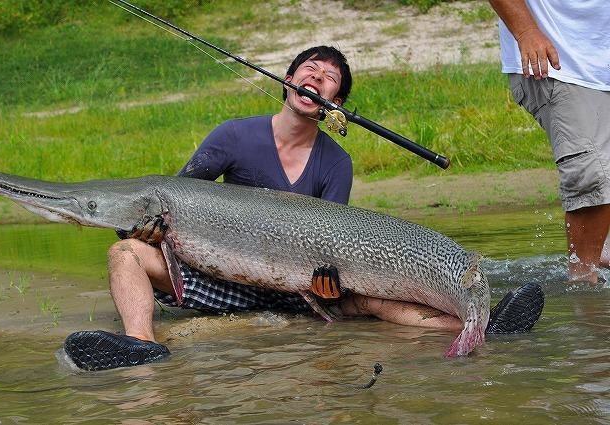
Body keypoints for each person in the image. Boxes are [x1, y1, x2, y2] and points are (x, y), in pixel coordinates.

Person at [63, 46, 543, 371]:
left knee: (378, 301)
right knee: (125, 252)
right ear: (289, 80)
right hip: (217, 278)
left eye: (330, 79)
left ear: (335, 105)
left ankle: (480, 325)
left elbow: (332, 243)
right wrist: (150, 231)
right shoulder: (232, 135)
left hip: (298, 291)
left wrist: (327, 284)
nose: (317, 78)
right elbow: (178, 197)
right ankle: (144, 350)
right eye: (309, 70)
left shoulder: (337, 162)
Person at [489, 1, 610, 284]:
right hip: (556, 61)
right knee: (591, 174)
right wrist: (526, 31)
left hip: (600, 54)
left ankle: (600, 252)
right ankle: (583, 283)